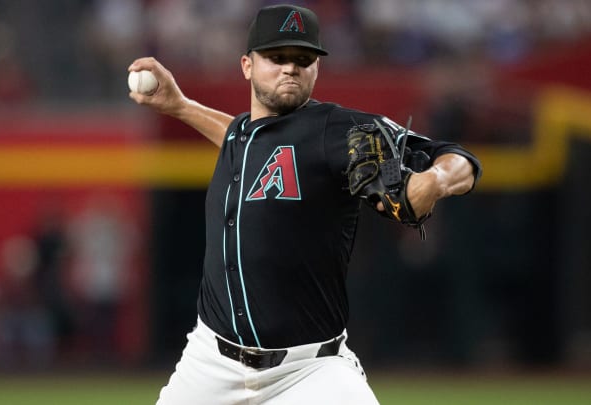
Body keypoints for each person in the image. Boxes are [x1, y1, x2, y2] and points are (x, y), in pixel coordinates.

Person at [129, 4, 481, 404]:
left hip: (310, 370)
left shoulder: (337, 129)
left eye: (302, 59)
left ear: (316, 68)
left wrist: (431, 181)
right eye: (276, 57)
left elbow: (461, 160)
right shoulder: (243, 136)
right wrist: (180, 107)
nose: (290, 68)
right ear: (247, 65)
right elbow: (241, 137)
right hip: (211, 362)